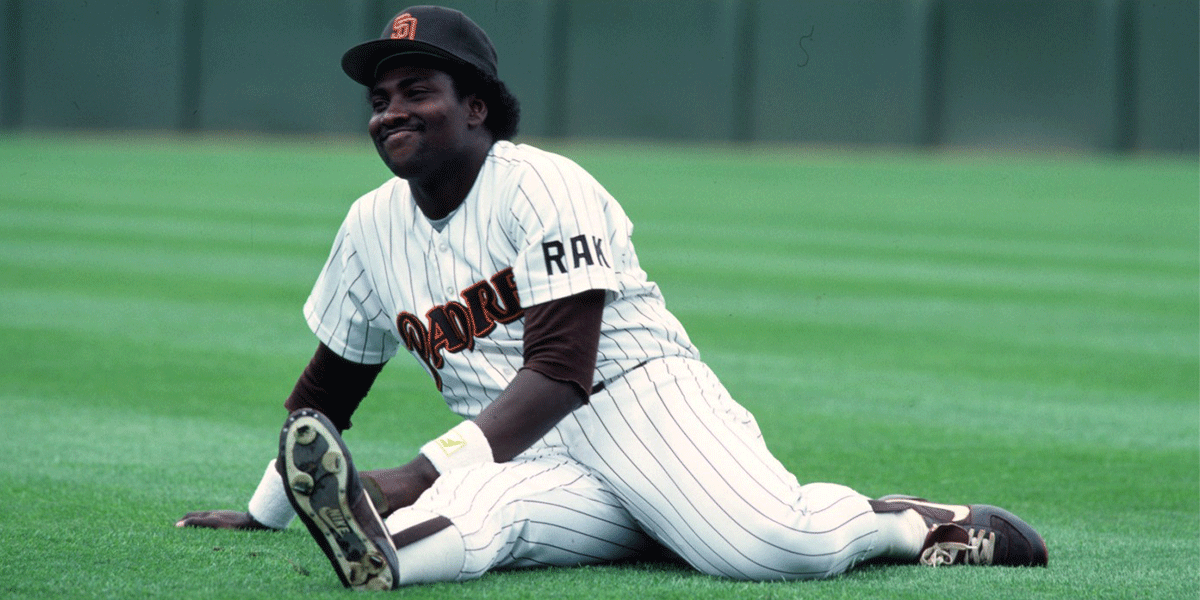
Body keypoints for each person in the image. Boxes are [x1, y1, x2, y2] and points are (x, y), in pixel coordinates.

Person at [177, 5, 1048, 590]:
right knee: (477, 513)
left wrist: (414, 472)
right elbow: (329, 390)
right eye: (379, 99)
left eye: (417, 92)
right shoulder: (370, 226)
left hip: (638, 402)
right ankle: (383, 560)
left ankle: (903, 524)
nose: (389, 112)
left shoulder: (543, 187)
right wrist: (265, 512)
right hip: (514, 447)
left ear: (476, 108)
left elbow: (563, 370)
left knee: (766, 546)